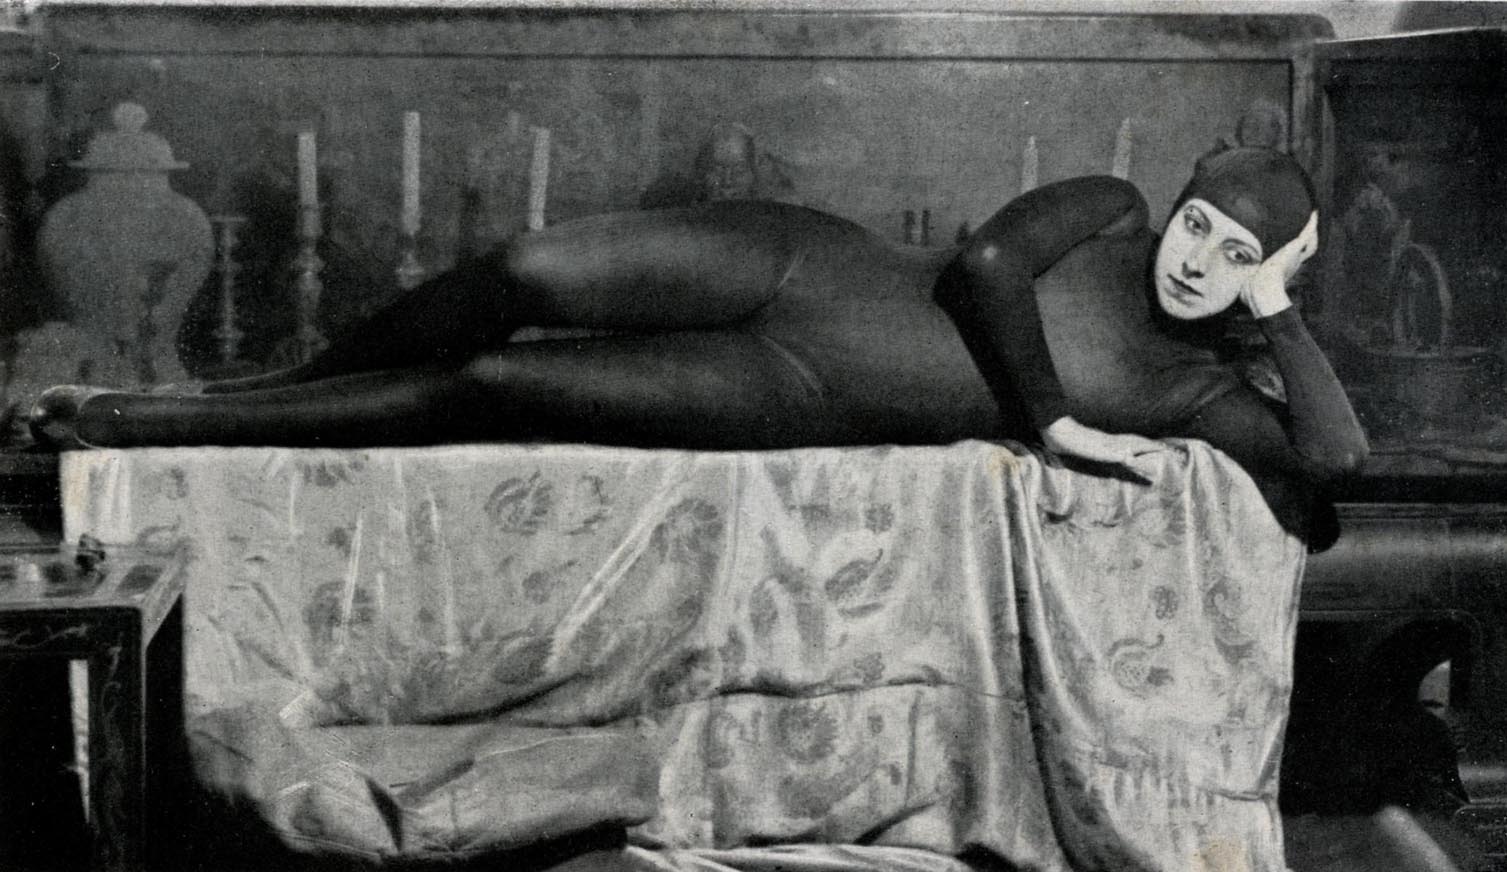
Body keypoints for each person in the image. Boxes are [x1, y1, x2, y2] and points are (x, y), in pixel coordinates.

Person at [30, 146, 1367, 544]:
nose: (1196, 258)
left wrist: (1280, 315)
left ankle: (144, 421)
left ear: (1267, 274)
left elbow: (1333, 472)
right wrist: (1056, 424)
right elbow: (987, 266)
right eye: (1200, 224)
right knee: (525, 271)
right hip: (803, 259)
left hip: (796, 390)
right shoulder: (1111, 210)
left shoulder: (1197, 389)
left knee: (495, 382)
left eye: (1234, 255)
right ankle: (264, 385)